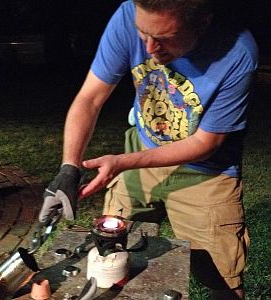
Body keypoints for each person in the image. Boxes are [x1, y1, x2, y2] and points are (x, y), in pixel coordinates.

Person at [39, 0, 259, 298]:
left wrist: (121, 162)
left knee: (220, 281)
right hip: (141, 151)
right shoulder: (129, 15)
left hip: (207, 173)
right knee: (111, 257)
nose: (151, 48)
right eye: (144, 34)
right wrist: (69, 167)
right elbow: (89, 98)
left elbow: (205, 143)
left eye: (165, 38)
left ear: (203, 22)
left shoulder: (237, 52)